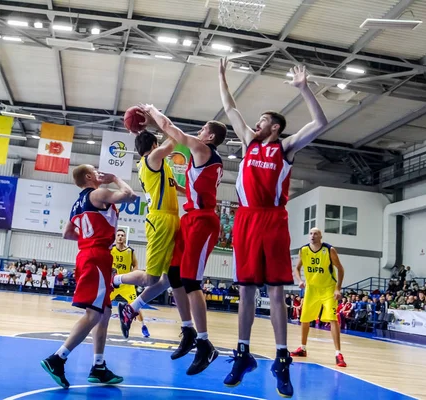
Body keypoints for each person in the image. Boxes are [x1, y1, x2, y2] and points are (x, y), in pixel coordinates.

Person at [219, 61, 328, 397]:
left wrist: (303, 88)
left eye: (264, 120)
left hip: (273, 219)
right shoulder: (248, 142)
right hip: (247, 219)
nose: (257, 122)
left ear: (276, 128)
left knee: (277, 291)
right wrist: (221, 76)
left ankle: (282, 358)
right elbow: (229, 108)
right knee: (246, 291)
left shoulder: (286, 147)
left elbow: (321, 123)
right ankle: (243, 352)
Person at [133, 105, 227, 375]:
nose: (199, 132)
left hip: (203, 221)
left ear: (209, 137)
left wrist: (153, 112)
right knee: (174, 275)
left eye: (203, 130)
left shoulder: (202, 149)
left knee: (190, 281)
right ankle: (187, 330)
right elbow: (191, 185)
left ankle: (205, 342)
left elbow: (172, 131)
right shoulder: (201, 156)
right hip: (189, 219)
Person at [40, 165, 136, 389]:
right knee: (93, 315)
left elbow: (67, 234)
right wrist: (115, 178)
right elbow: (129, 195)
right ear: (89, 177)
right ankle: (58, 358)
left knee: (104, 313)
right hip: (96, 256)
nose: (100, 173)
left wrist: (88, 238)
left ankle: (99, 366)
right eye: (96, 171)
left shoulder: (77, 205)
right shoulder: (98, 194)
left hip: (89, 254)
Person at [112, 129, 192, 351]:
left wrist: (190, 191)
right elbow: (174, 141)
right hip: (160, 220)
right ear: (155, 144)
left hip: (172, 219)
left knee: (168, 280)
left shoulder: (160, 165)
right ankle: (116, 279)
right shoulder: (152, 158)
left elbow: (174, 187)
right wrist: (163, 123)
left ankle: (131, 308)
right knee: (151, 278)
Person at [290, 228, 346, 367]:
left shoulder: (329, 250)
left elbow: (340, 269)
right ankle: (302, 348)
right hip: (311, 289)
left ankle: (338, 353)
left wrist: (338, 288)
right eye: (310, 233)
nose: (312, 236)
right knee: (305, 318)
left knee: (333, 319)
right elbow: (296, 268)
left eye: (315, 233)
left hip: (328, 289)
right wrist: (300, 280)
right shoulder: (303, 250)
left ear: (321, 236)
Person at [109, 229, 150, 338]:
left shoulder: (130, 251)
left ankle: (143, 326)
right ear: (115, 237)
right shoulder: (111, 249)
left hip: (127, 283)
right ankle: (97, 323)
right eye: (118, 235)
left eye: (122, 235)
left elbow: (135, 264)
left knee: (136, 305)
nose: (120, 237)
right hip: (113, 283)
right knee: (103, 303)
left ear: (125, 237)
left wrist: (133, 275)